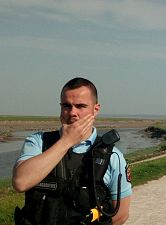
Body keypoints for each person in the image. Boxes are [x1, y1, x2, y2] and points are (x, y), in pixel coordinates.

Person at [12, 77, 132, 225]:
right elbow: (20, 182)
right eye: (66, 106)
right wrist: (67, 141)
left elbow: (121, 215)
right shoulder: (38, 142)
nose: (72, 112)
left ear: (96, 110)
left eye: (80, 106)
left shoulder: (112, 156)